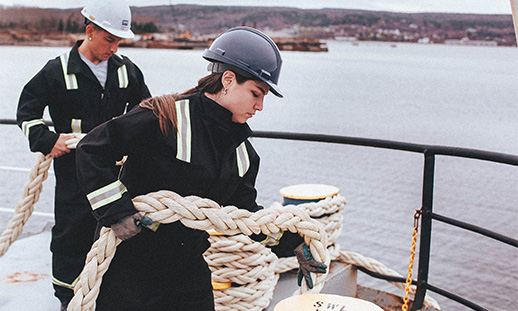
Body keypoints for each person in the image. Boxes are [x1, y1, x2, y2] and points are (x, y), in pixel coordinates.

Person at [75, 26, 326, 310]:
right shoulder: (164, 117)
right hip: (130, 266)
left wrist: (291, 243)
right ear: (228, 80)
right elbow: (92, 150)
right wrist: (116, 211)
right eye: (257, 93)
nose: (260, 106)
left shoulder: (242, 153)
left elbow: (243, 215)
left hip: (186, 268)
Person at [16, 0, 151, 309]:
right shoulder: (57, 71)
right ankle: (69, 298)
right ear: (90, 31)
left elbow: (144, 113)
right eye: (109, 39)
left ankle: (108, 293)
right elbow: (26, 112)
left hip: (113, 171)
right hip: (72, 171)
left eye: (119, 41)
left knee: (116, 230)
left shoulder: (127, 71)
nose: (114, 48)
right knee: (71, 233)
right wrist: (48, 140)